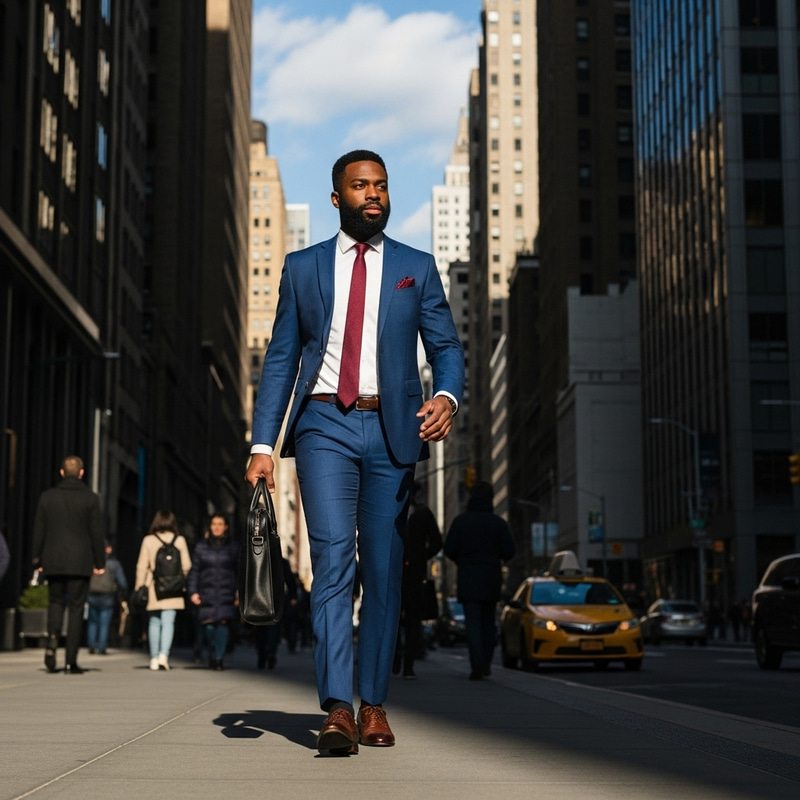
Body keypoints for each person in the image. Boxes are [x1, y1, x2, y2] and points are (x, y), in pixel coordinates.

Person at [245, 150, 464, 755]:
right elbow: (282, 360)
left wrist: (445, 394)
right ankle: (338, 707)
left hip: (394, 431)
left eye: (382, 186)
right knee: (334, 559)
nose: (374, 194)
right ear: (338, 197)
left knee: (384, 572)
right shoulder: (303, 267)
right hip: (322, 424)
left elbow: (446, 347)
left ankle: (375, 704)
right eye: (361, 186)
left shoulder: (415, 268)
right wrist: (264, 444)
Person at [32, 455, 106, 674]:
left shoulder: (47, 497)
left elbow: (39, 530)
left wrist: (37, 558)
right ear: (81, 473)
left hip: (53, 560)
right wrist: (99, 561)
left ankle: (53, 639)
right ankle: (70, 660)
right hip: (80, 562)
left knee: (55, 602)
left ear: (62, 472)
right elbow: (96, 532)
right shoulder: (90, 499)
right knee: (76, 609)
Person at [444, 481, 515, 681]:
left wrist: (463, 560)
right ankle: (486, 663)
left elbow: (449, 549)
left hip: (468, 577)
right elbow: (509, 550)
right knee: (488, 623)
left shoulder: (461, 521)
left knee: (473, 624)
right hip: (491, 577)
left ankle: (476, 665)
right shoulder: (498, 523)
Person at [393, 490, 442, 679]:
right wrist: (421, 557)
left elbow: (437, 542)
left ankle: (400, 660)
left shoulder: (394, 510)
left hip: (398, 572)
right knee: (412, 621)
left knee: (396, 618)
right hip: (412, 573)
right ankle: (406, 665)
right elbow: (437, 542)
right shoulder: (422, 513)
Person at [135, 509, 192, 671]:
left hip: (154, 586)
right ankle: (164, 656)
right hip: (174, 588)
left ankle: (153, 658)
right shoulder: (179, 540)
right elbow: (187, 566)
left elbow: (141, 566)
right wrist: (180, 581)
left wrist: (140, 587)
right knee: (169, 622)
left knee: (154, 621)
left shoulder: (148, 540)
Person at [187, 514, 239, 670]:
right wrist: (193, 592)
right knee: (209, 627)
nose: (217, 527)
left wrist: (240, 593)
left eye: (220, 524)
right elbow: (194, 571)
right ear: (210, 526)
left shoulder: (234, 547)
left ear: (226, 527)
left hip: (226, 593)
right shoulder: (201, 547)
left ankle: (219, 658)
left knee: (222, 626)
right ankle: (212, 653)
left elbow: (240, 572)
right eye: (214, 524)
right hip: (206, 593)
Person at [254, 557, 297, 670]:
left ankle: (265, 654)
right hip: (269, 599)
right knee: (269, 629)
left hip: (267, 599)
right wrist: (293, 596)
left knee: (264, 629)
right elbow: (290, 579)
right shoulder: (280, 561)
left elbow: (289, 579)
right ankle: (268, 653)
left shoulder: (259, 559)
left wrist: (293, 595)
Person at [87, 540, 128, 655]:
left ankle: (91, 645)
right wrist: (124, 593)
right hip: (107, 595)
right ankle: (101, 647)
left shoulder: (91, 561)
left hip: (92, 593)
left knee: (93, 621)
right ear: (109, 549)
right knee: (104, 622)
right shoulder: (114, 564)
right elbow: (122, 581)